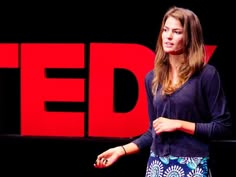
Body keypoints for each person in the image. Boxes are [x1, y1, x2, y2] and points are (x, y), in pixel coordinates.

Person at [93, 6, 232, 177]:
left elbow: (223, 127)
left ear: (189, 37)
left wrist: (179, 124)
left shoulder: (207, 75)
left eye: (176, 31)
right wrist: (121, 150)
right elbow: (154, 131)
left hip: (193, 163)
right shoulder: (152, 78)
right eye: (165, 30)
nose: (168, 36)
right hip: (157, 163)